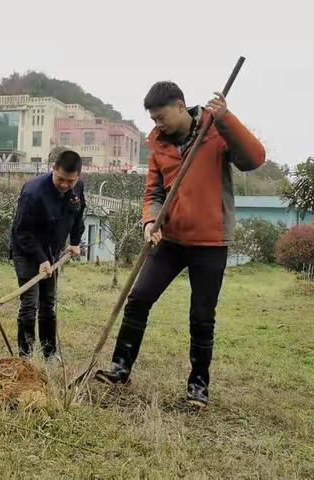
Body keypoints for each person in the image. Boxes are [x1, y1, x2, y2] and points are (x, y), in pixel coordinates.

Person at [95, 82, 265, 407]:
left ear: (180, 106)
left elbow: (254, 158)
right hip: (170, 240)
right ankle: (120, 368)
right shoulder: (158, 144)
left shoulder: (216, 131)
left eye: (161, 117)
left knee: (202, 316)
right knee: (139, 299)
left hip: (211, 241)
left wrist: (227, 118)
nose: (158, 124)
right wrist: (150, 221)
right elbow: (153, 193)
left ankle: (198, 386)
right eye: (154, 119)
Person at [10, 147, 85, 359]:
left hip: (53, 252)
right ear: (53, 169)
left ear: (78, 177)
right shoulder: (33, 192)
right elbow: (22, 231)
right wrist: (40, 259)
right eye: (60, 179)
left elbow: (78, 216)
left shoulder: (78, 188)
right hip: (27, 252)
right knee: (29, 303)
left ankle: (49, 354)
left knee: (48, 303)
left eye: (69, 181)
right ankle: (25, 356)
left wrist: (75, 242)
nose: (64, 185)